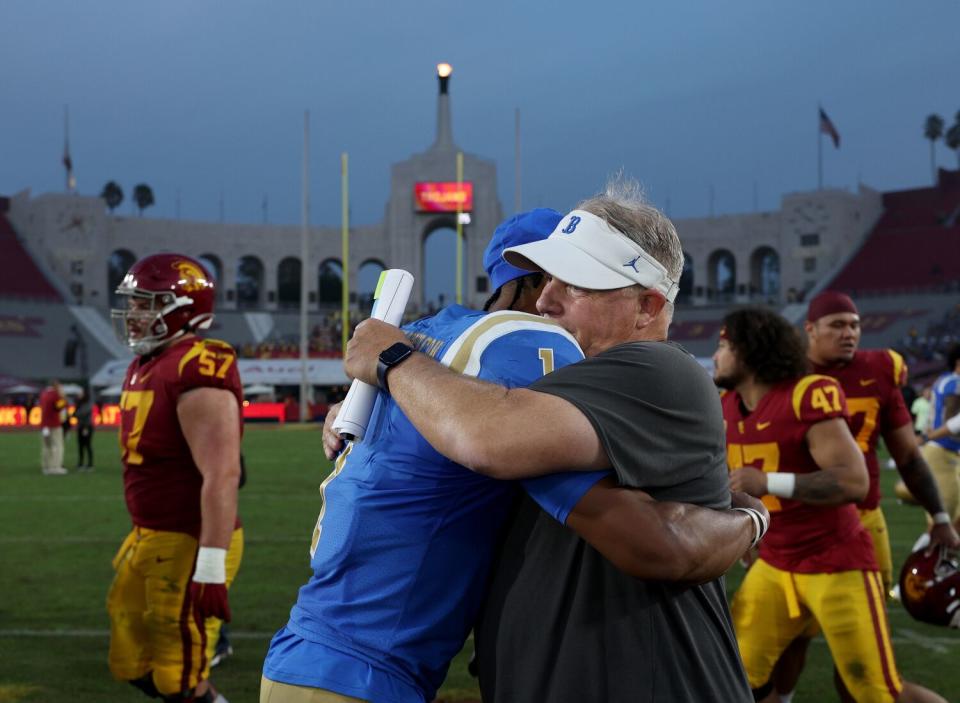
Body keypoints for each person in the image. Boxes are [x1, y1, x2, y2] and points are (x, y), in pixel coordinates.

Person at [343, 182, 757, 702]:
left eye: (577, 285)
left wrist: (394, 363)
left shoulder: (653, 368)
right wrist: (391, 409)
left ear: (648, 307)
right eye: (547, 279)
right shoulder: (572, 381)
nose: (545, 300)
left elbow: (486, 433)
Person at [714, 307, 947, 703]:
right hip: (775, 563)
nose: (716, 355)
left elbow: (853, 480)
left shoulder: (808, 394)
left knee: (874, 691)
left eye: (724, 346)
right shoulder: (728, 407)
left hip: (836, 563)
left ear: (749, 350)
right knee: (732, 674)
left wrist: (770, 482)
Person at [107, 253, 243, 703]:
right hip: (150, 534)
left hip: (188, 538)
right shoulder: (149, 363)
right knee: (129, 656)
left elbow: (223, 475)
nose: (133, 314)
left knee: (176, 675)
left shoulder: (196, 366)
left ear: (180, 307)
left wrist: (210, 567)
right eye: (133, 303)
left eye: (145, 304)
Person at [917, 345, 960, 525]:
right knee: (942, 524)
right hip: (943, 451)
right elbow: (952, 421)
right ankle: (926, 553)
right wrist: (929, 437)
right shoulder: (955, 383)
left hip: (941, 449)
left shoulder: (944, 380)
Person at [38, 379, 67, 475]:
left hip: (44, 425)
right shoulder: (55, 395)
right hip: (54, 424)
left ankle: (46, 466)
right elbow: (60, 407)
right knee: (58, 446)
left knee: (47, 446)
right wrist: (63, 397)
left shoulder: (43, 394)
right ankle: (55, 467)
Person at [73, 387, 95, 471]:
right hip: (80, 426)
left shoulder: (88, 403)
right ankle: (81, 463)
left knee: (87, 445)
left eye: (81, 393)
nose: (79, 394)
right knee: (80, 445)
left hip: (87, 426)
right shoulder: (79, 403)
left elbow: (81, 413)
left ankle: (90, 464)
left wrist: (75, 413)